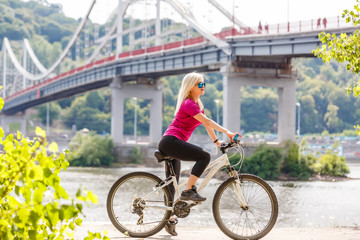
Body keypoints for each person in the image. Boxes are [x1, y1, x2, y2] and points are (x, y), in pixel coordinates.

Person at [157, 72, 239, 236]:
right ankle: (189, 189)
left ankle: (169, 219)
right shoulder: (188, 104)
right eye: (200, 84)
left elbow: (206, 124)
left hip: (172, 143)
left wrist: (217, 141)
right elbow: (208, 122)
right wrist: (227, 132)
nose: (203, 87)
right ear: (191, 87)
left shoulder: (197, 105)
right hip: (170, 142)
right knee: (204, 156)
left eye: (204, 84)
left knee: (172, 185)